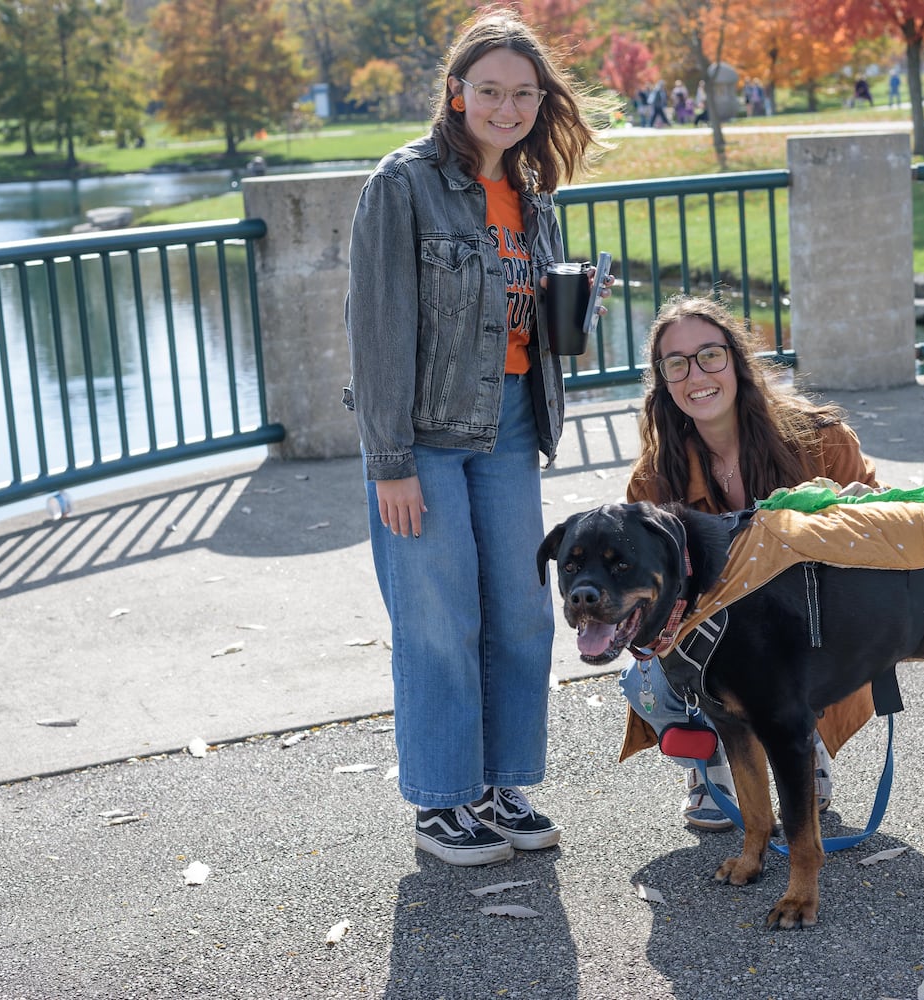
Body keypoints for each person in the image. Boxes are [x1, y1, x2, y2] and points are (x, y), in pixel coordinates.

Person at [344, 9, 611, 867]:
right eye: (489, 90)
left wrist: (571, 308)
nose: (506, 107)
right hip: (423, 435)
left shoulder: (533, 199)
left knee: (524, 616)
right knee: (437, 619)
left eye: (522, 93)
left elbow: (521, 327)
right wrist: (389, 461)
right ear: (456, 94)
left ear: (541, 101)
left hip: (511, 425)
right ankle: (441, 800)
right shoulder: (404, 183)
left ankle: (501, 784)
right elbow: (376, 328)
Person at [617, 297, 880, 830]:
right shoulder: (653, 479)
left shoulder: (823, 440)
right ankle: (709, 757)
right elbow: (640, 584)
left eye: (710, 355)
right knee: (651, 660)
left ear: (737, 360)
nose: (696, 375)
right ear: (663, 381)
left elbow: (885, 537)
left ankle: (804, 740)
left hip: (816, 629)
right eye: (677, 363)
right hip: (711, 643)